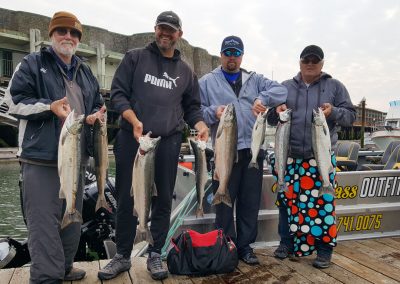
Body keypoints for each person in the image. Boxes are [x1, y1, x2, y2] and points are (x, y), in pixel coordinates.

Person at [97, 11, 209, 281]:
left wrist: (201, 123)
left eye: (171, 30)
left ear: (179, 35)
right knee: (126, 196)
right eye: (162, 28)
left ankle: (155, 253)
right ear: (155, 29)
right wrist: (133, 119)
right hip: (132, 140)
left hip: (169, 142)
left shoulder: (186, 72)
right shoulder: (135, 58)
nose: (165, 33)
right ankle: (122, 255)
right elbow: (119, 94)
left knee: (162, 199)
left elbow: (192, 107)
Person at [5, 11, 105, 283]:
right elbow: (12, 102)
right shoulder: (32, 63)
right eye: (62, 31)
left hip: (77, 157)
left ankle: (63, 266)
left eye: (74, 33)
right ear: (51, 34)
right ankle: (47, 277)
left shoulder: (85, 71)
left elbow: (96, 102)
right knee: (43, 224)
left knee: (72, 219)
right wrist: (49, 107)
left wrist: (97, 114)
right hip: (41, 160)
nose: (68, 37)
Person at [199, 35, 287, 265]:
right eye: (228, 53)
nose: (232, 57)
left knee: (249, 203)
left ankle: (245, 246)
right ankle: (226, 244)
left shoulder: (255, 79)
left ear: (242, 56)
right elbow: (194, 110)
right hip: (224, 151)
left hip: (252, 151)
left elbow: (281, 91)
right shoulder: (207, 81)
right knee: (224, 202)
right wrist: (212, 112)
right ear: (221, 55)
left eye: (236, 53)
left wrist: (262, 97)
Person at [268, 45, 356, 268]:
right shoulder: (284, 87)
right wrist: (274, 111)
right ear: (299, 62)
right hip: (288, 156)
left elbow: (350, 117)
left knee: (323, 205)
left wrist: (333, 111)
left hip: (321, 159)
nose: (310, 63)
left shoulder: (335, 86)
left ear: (322, 64)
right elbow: (270, 118)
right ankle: (286, 243)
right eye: (306, 60)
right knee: (287, 203)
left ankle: (324, 250)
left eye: (314, 60)